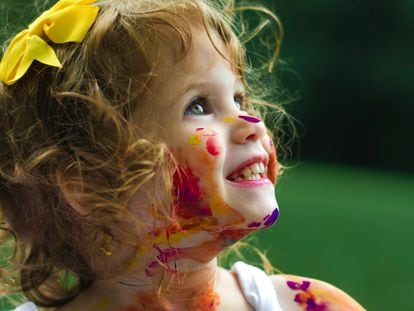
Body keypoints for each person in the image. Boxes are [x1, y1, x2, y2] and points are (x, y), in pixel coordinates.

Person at [0, 0, 366, 310]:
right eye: (198, 106)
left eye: (238, 99)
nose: (250, 122)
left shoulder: (307, 304)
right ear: (91, 183)